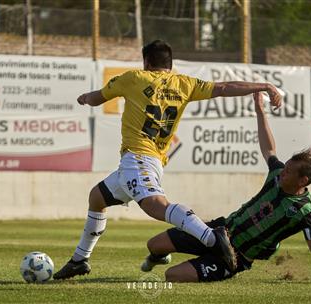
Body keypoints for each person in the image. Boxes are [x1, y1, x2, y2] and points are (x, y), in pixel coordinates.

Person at [54, 40, 282, 280]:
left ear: (146, 62)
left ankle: (212, 238)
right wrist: (264, 86)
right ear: (170, 64)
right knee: (97, 197)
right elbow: (225, 87)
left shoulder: (134, 78)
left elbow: (97, 98)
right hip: (145, 161)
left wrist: (84, 98)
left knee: (156, 205)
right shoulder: (184, 84)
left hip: (138, 159)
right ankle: (80, 260)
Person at [140, 92, 311, 284]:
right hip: (218, 232)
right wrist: (260, 111)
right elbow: (269, 149)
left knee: (172, 275)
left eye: (288, 171)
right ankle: (158, 257)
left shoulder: (306, 212)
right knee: (154, 244)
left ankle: (222, 270)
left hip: (235, 257)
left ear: (303, 181)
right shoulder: (276, 176)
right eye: (285, 167)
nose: (282, 172)